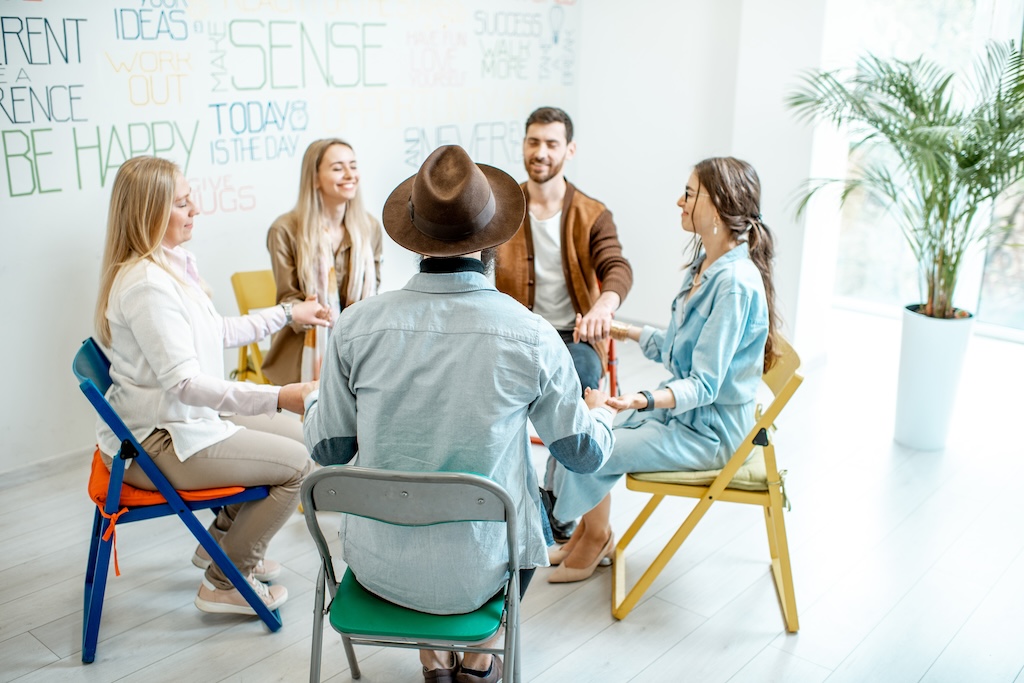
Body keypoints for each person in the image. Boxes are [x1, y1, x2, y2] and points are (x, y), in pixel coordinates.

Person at [303, 145, 617, 683]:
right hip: (482, 572)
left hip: (379, 569)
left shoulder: (355, 328)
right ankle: (476, 661)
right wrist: (600, 413)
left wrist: (314, 403)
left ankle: (433, 657)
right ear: (494, 240)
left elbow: (329, 449)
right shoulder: (532, 336)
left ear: (414, 238)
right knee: (525, 507)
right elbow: (581, 455)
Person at [93, 156, 327, 615]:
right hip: (158, 443)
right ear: (149, 213)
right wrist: (280, 396)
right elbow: (185, 384)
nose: (195, 209)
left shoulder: (168, 267)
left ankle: (218, 543)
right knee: (298, 465)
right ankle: (225, 579)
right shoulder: (147, 286)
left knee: (305, 439)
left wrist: (286, 314)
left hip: (180, 422)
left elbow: (216, 332)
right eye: (181, 203)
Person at [546, 156, 781, 583]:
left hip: (709, 434)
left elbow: (705, 385)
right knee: (595, 429)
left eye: (689, 194)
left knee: (596, 443)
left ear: (718, 203)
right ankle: (588, 531)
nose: (679, 201)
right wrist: (622, 330)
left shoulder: (733, 284)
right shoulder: (705, 266)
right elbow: (678, 350)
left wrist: (639, 399)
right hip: (685, 417)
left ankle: (588, 535)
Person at [495, 106, 633, 543]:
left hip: (574, 335)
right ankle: (502, 491)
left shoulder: (591, 212)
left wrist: (603, 307)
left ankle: (555, 501)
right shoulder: (504, 207)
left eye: (551, 143)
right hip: (514, 333)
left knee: (578, 381)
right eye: (533, 141)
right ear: (523, 145)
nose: (541, 152)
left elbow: (616, 266)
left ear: (569, 150)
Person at [262, 138, 383, 385]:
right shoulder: (284, 230)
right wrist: (308, 311)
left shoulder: (369, 227)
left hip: (360, 348)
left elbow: (374, 294)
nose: (350, 175)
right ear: (315, 178)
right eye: (338, 168)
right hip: (304, 353)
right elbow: (288, 301)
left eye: (353, 166)